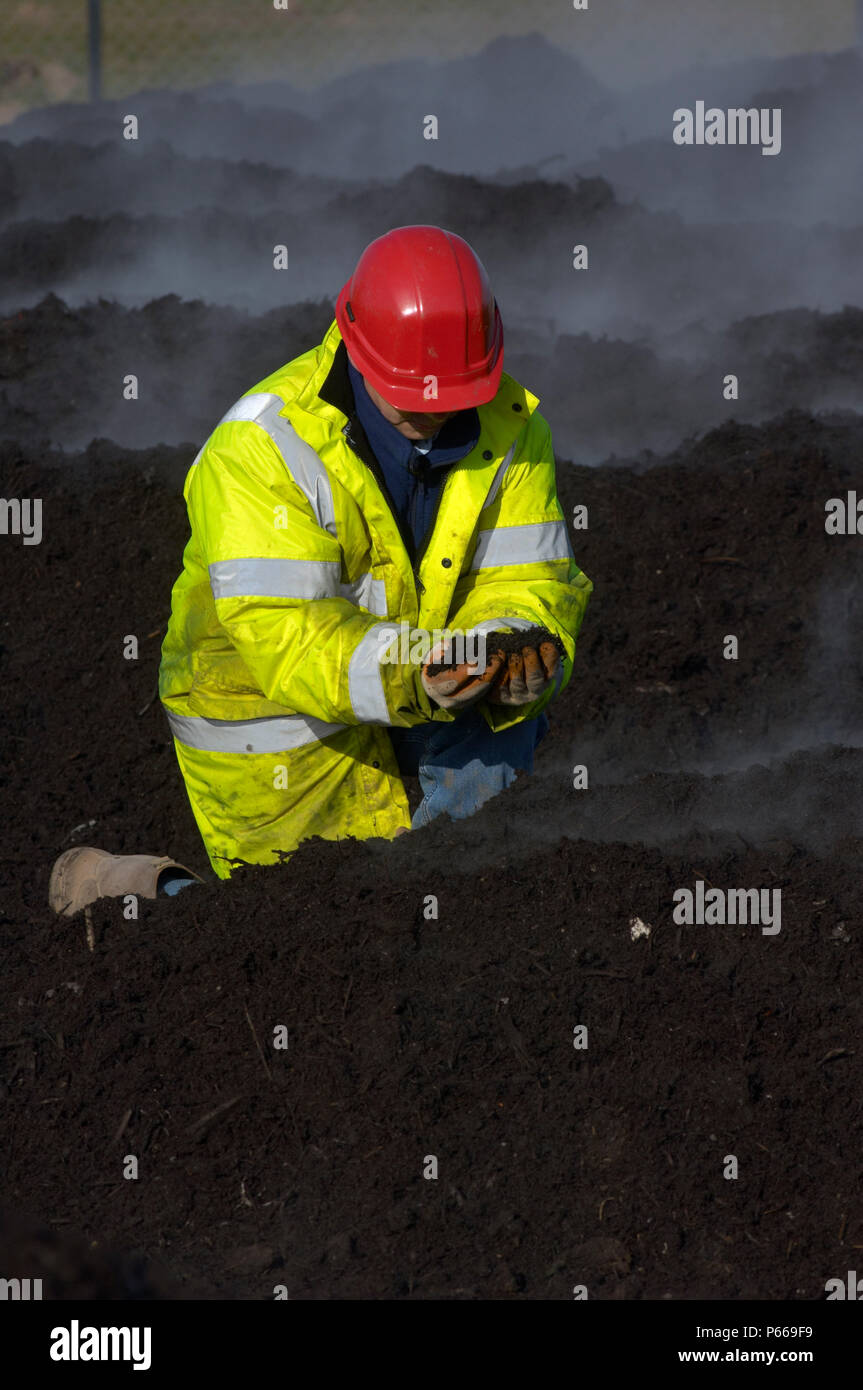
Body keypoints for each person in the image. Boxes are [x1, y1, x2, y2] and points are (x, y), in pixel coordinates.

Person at [49, 226, 592, 916]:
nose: (432, 413)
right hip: (276, 720)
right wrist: (423, 672)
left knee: (472, 895)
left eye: (451, 395)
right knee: (294, 927)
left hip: (427, 686)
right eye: (410, 398)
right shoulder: (258, 449)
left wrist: (514, 650)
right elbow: (290, 638)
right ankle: (138, 889)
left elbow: (528, 581)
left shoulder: (510, 425)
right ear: (356, 352)